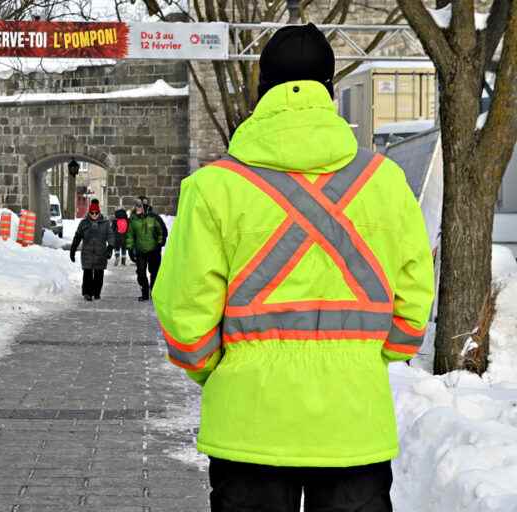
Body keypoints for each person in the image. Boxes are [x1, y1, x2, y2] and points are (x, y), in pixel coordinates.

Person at [152, 23, 434, 512]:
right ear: (329, 89)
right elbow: (413, 301)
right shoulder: (385, 181)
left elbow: (184, 308)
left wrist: (225, 371)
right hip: (353, 427)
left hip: (248, 425)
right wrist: (364, 364)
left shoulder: (213, 187)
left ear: (263, 92)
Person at [70, 201, 114, 301]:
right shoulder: (84, 223)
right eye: (92, 213)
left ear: (99, 213)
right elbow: (78, 236)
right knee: (87, 274)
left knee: (99, 275)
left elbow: (110, 235)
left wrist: (110, 248)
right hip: (87, 253)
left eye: (96, 213)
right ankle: (87, 293)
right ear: (89, 213)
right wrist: (73, 249)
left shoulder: (105, 223)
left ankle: (97, 292)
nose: (94, 215)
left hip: (100, 253)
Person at [126, 198, 163, 302]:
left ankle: (153, 292)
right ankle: (145, 292)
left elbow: (160, 231)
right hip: (140, 251)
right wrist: (130, 249)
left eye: (140, 206)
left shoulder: (153, 218)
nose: (137, 208)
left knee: (154, 272)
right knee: (141, 273)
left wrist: (159, 244)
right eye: (137, 206)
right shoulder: (133, 220)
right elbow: (130, 235)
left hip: (153, 250)